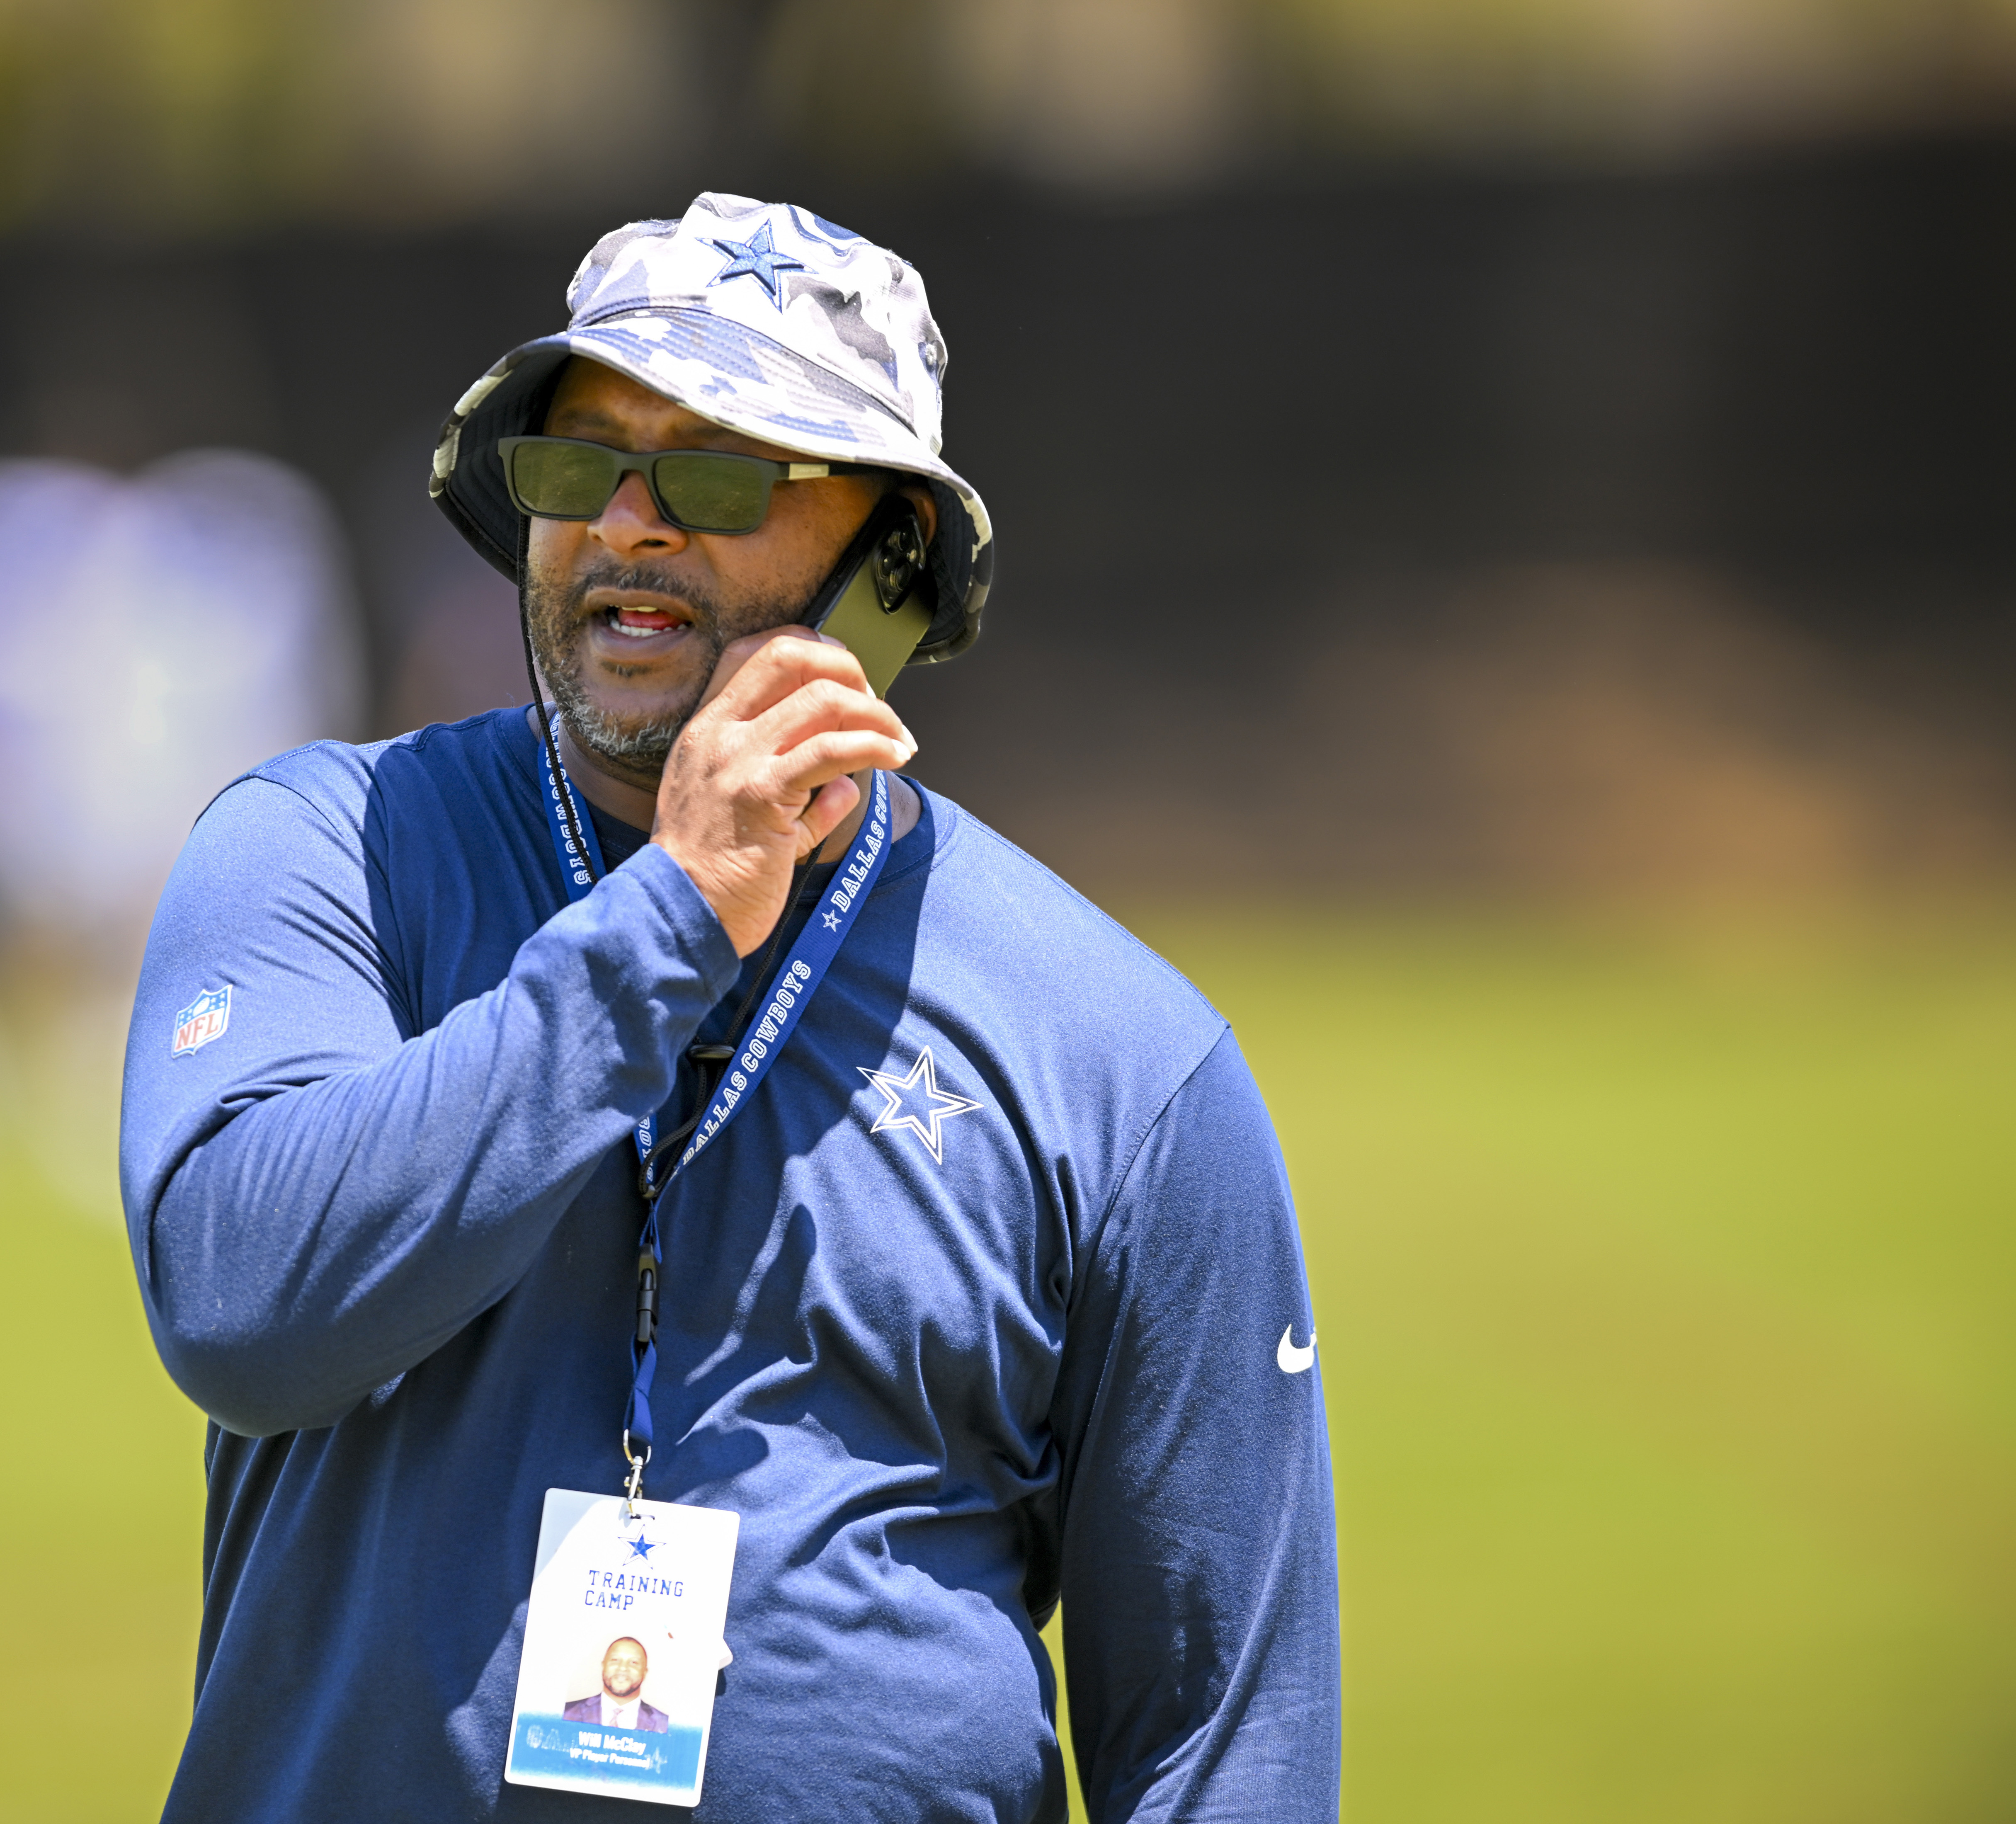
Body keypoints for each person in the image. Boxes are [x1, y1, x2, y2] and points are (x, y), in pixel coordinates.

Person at [121, 193, 1339, 1822]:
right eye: (577, 462)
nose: (626, 523)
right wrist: (675, 914)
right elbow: (244, 1305)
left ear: (891, 563)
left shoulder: (1127, 1057)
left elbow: (1223, 1744)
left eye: (712, 470)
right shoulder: (327, 848)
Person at [563, 1637, 668, 1733]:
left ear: (645, 1672)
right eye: (615, 1660)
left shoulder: (665, 1726)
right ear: (603, 1666)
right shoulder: (566, 1714)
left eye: (634, 1662)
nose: (623, 1668)